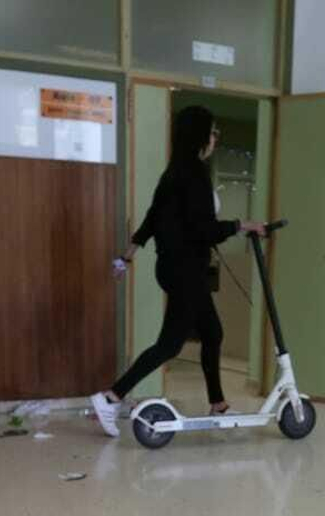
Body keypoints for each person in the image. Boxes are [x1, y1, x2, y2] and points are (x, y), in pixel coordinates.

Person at [89, 105, 265, 437]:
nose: (215, 138)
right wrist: (243, 225)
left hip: (174, 268)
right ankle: (111, 397)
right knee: (170, 344)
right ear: (199, 135)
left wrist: (125, 259)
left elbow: (152, 218)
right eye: (212, 132)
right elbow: (204, 230)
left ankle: (218, 404)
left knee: (211, 332)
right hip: (185, 270)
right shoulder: (194, 173)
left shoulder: (173, 172)